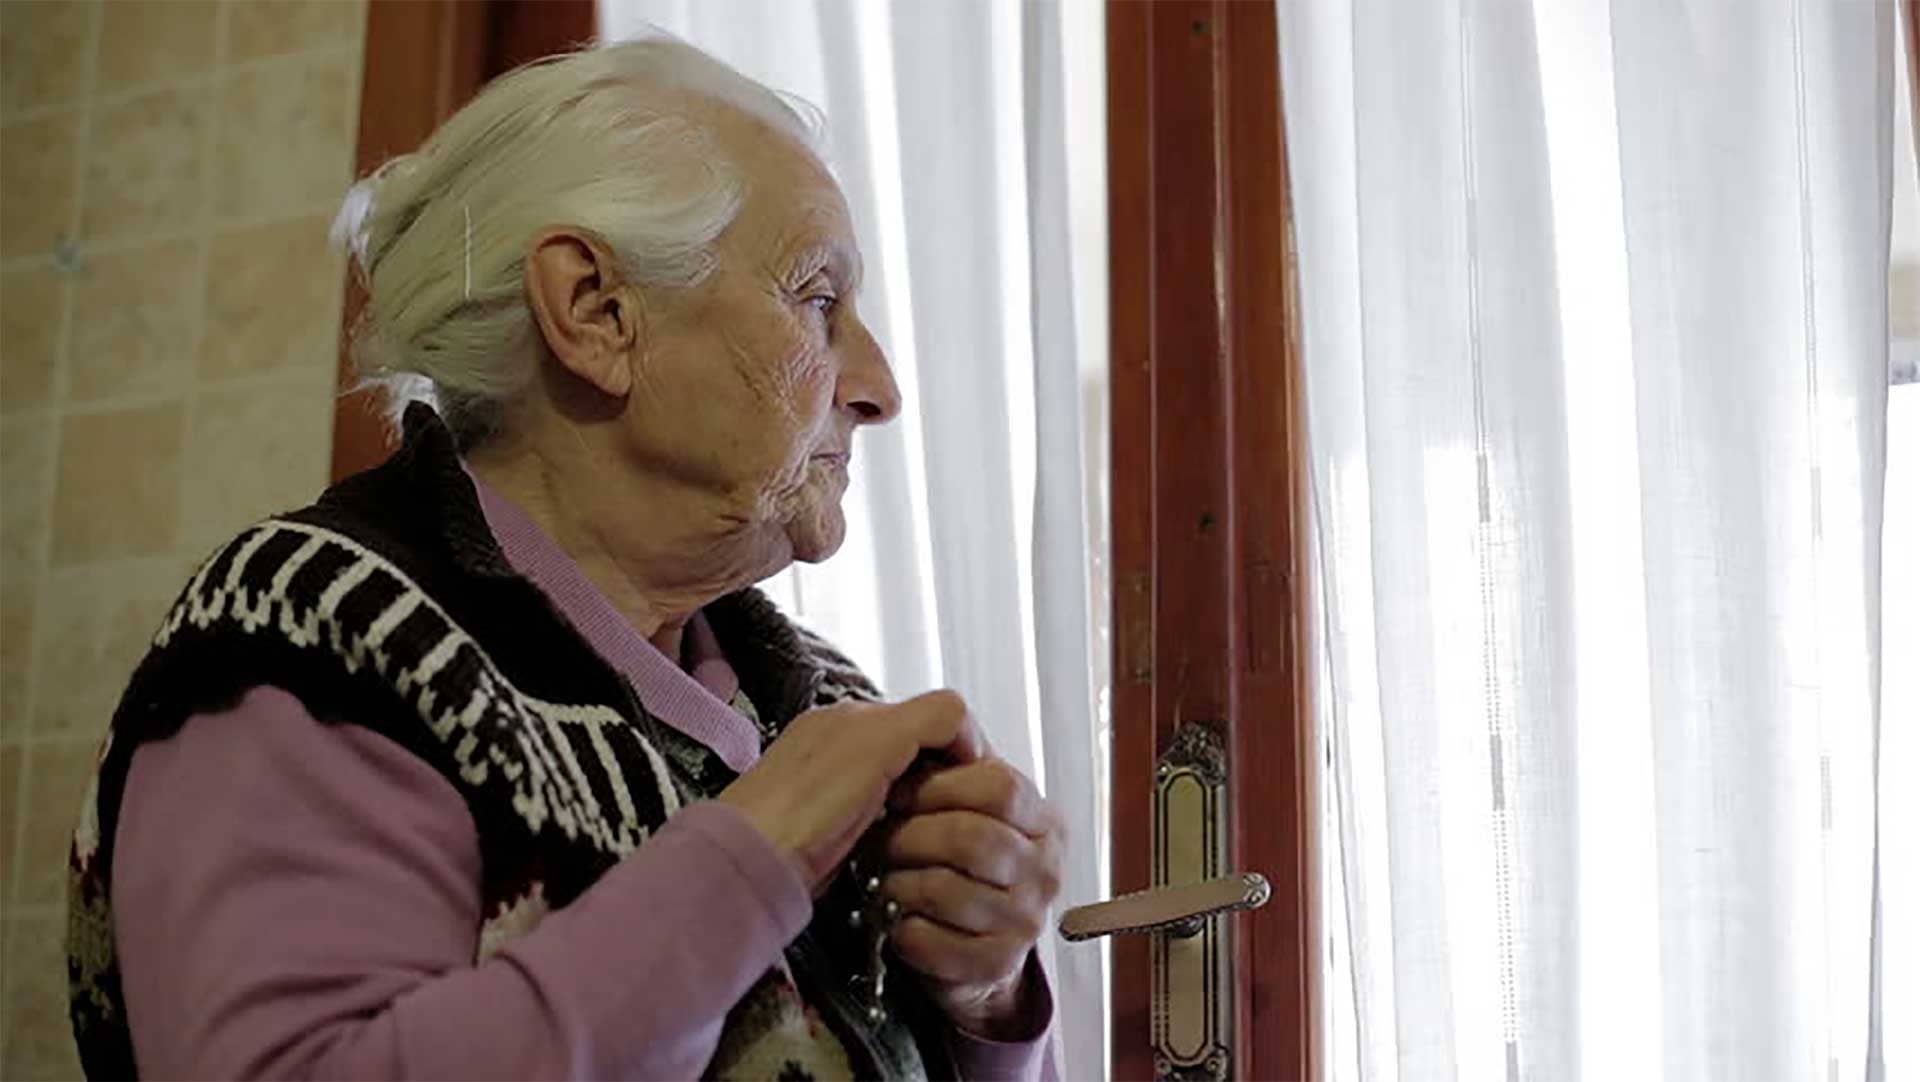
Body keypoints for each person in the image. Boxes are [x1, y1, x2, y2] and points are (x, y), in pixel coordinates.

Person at [66, 35, 1062, 1081]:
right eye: (818, 298)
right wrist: (753, 858)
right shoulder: (308, 635)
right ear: (595, 311)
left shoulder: (819, 702)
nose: (880, 388)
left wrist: (983, 996)